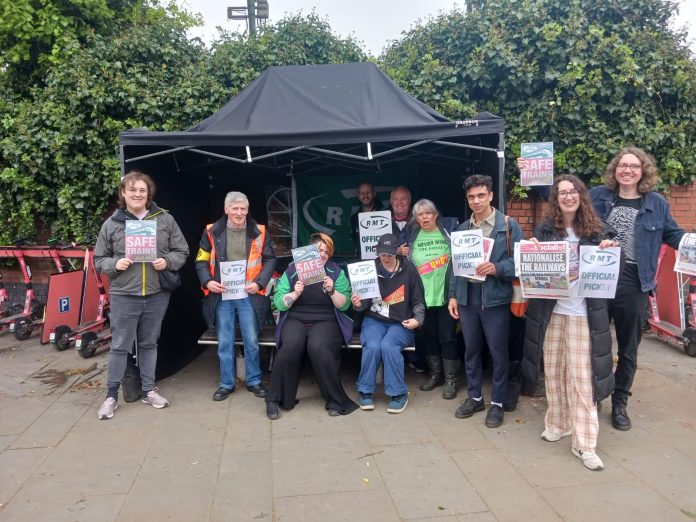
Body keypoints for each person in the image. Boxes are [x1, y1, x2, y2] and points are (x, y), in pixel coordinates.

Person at [521, 175, 616, 471]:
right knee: (554, 371)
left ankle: (585, 444)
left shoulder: (599, 230)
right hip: (552, 311)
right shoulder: (546, 229)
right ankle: (558, 423)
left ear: (581, 195)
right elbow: (533, 267)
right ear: (555, 199)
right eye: (562, 192)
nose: (568, 196)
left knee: (581, 379)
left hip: (582, 314)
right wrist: (533, 248)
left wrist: (610, 249)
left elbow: (613, 263)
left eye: (573, 191)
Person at [590, 147, 684, 431]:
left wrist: (691, 244)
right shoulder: (597, 196)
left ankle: (620, 401)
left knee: (629, 348)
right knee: (594, 344)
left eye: (634, 166)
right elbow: (575, 221)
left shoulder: (657, 204)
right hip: (598, 277)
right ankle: (594, 398)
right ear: (615, 170)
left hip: (634, 282)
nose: (627, 170)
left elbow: (674, 235)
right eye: (622, 165)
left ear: (643, 171)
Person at [95, 170, 189, 420]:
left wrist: (166, 261)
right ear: (123, 193)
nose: (137, 194)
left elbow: (182, 251)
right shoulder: (112, 224)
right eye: (132, 189)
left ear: (149, 194)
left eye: (142, 190)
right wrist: (115, 264)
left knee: (149, 343)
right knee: (119, 346)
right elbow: (98, 260)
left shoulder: (164, 219)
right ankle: (111, 396)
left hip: (156, 294)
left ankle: (148, 389)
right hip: (124, 294)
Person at [447, 175, 522, 428]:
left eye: (481, 195)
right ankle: (475, 396)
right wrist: (453, 296)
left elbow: (521, 264)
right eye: (471, 197)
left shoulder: (509, 226)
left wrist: (497, 268)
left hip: (495, 299)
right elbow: (453, 267)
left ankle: (498, 403)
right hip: (468, 298)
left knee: (498, 352)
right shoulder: (461, 230)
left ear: (491, 195)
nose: (476, 201)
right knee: (471, 350)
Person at [266, 233, 358, 420]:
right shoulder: (293, 269)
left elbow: (344, 304)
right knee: (290, 346)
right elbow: (279, 303)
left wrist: (332, 290)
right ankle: (274, 399)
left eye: (326, 251)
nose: (323, 254)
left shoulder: (335, 272)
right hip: (296, 317)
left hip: (326, 319)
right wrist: (294, 294)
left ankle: (335, 400)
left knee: (318, 347)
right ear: (309, 252)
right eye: (319, 250)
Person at [195, 191, 277, 402]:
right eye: (235, 208)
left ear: (248, 210)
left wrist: (259, 283)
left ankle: (254, 381)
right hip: (222, 294)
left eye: (243, 209)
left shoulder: (260, 231)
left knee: (251, 339)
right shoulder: (211, 231)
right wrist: (207, 281)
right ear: (226, 210)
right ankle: (226, 384)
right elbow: (201, 261)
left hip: (248, 294)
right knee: (225, 341)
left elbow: (270, 260)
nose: (239, 213)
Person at [352, 233, 425, 413]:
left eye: (389, 254)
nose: (385, 258)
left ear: (396, 253)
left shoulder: (408, 270)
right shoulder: (368, 270)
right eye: (382, 254)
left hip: (400, 321)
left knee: (389, 346)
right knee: (373, 345)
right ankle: (365, 391)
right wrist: (357, 303)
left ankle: (398, 393)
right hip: (374, 319)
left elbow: (418, 300)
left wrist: (418, 319)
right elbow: (362, 306)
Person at [407, 199, 459, 397]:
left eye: (428, 213)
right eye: (420, 215)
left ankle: (451, 380)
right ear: (417, 219)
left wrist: (454, 292)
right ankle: (436, 375)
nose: (424, 217)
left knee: (448, 337)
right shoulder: (412, 238)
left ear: (436, 215)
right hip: (423, 297)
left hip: (445, 295)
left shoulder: (449, 234)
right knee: (429, 337)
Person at [350, 180, 384, 249]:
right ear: (358, 195)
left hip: (383, 258)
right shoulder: (354, 218)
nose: (365, 195)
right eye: (362, 193)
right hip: (362, 257)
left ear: (374, 194)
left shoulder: (385, 214)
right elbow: (354, 239)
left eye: (368, 192)